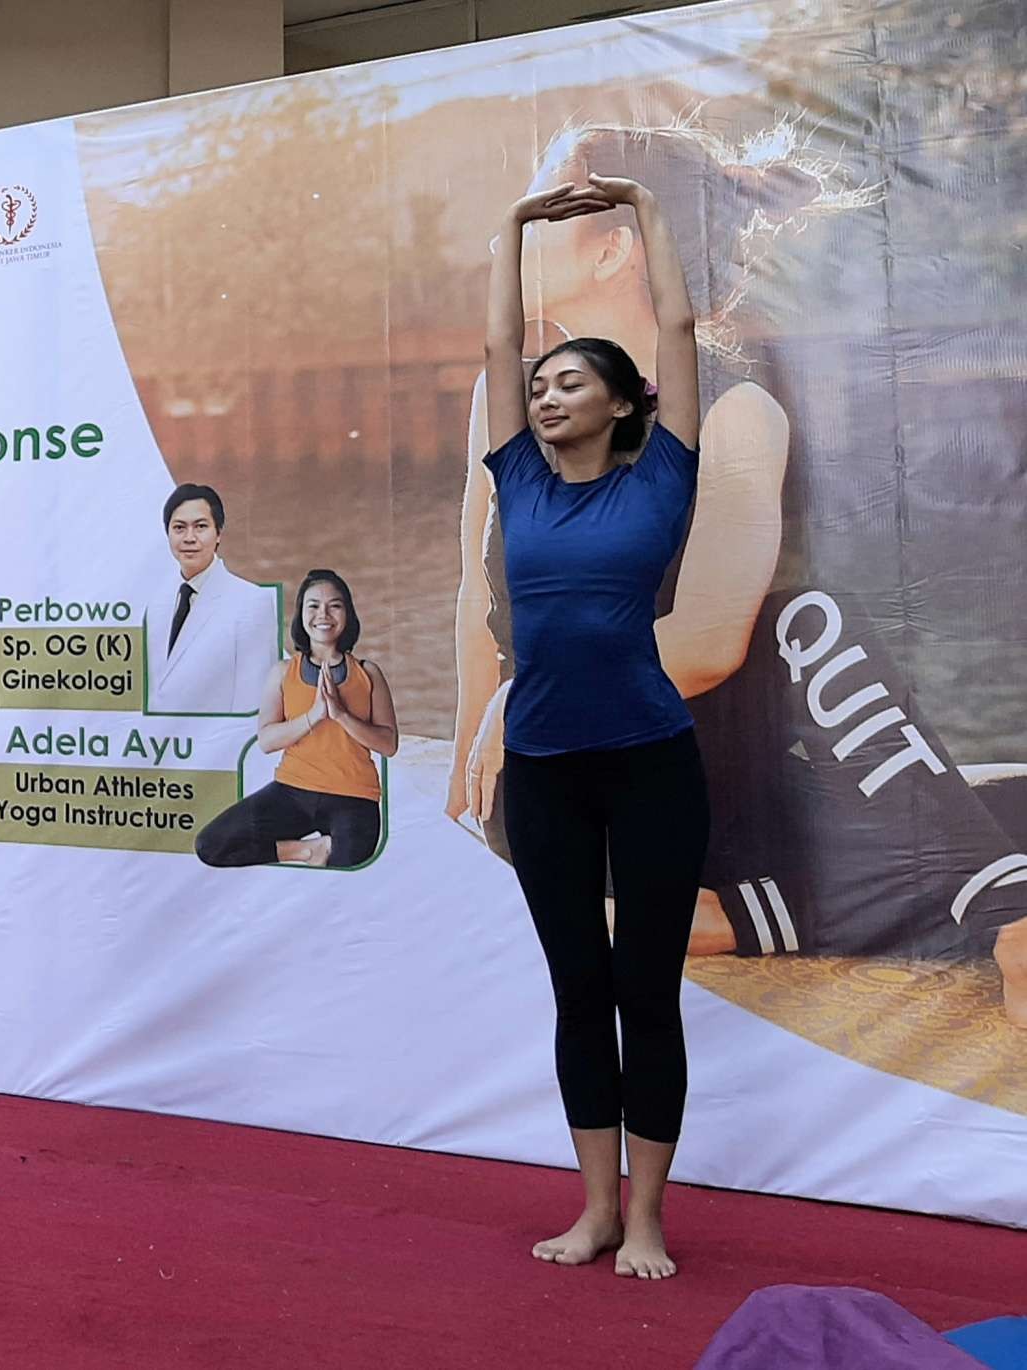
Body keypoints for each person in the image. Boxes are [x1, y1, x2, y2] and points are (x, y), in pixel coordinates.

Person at [450, 121, 1027, 1023]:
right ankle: (998, 900)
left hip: (701, 780)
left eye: (543, 210)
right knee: (920, 775)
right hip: (564, 777)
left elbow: (713, 645)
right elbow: (480, 596)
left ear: (612, 250)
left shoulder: (734, 406)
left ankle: (959, 906)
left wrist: (522, 692)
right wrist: (468, 781)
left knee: (804, 620)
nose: (509, 230)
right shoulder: (508, 393)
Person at [481, 171, 707, 1279]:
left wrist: (641, 209)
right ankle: (596, 1207)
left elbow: (674, 322)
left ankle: (652, 1213)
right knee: (578, 988)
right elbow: (493, 344)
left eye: (569, 380)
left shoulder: (662, 475)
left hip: (650, 761)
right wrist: (518, 225)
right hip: (544, 766)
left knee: (643, 989)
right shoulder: (518, 477)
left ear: (621, 401)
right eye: (539, 383)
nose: (545, 393)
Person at [195, 570, 397, 868]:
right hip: (292, 792)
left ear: (347, 613)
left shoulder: (368, 673)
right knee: (211, 846)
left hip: (353, 795)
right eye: (313, 606)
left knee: (350, 863)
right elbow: (267, 740)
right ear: (302, 613)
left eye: (334, 605)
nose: (323, 614)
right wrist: (314, 716)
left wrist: (340, 715)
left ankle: (326, 852)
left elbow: (388, 744)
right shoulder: (282, 672)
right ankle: (306, 851)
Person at [146, 482, 281, 714]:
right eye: (179, 528)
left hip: (216, 746)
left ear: (218, 533)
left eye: (200, 527)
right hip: (164, 745)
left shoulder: (251, 602)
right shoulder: (155, 605)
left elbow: (254, 705)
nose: (189, 538)